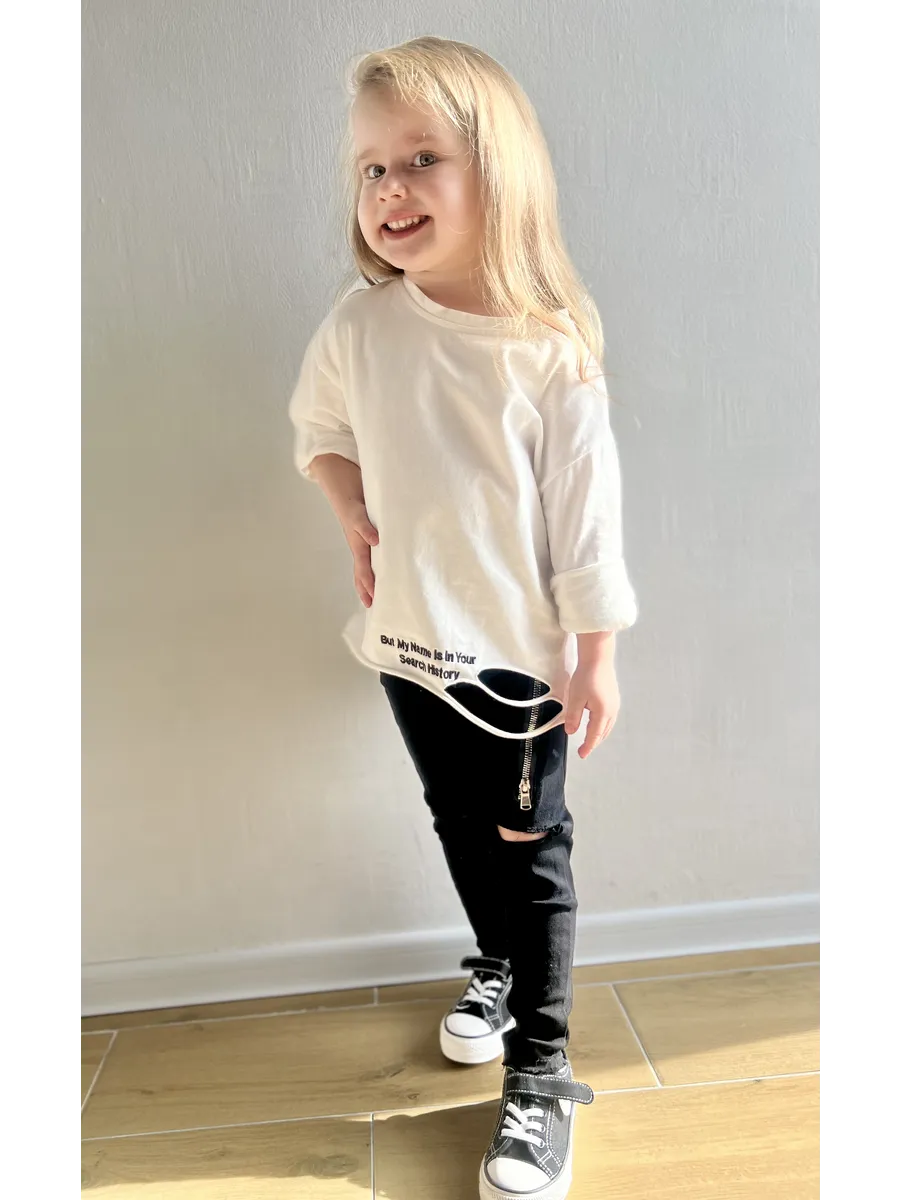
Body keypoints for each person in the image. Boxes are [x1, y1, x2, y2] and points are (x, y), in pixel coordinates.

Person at [288, 36, 638, 1200]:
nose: (390, 189)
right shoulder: (360, 325)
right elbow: (319, 429)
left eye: (421, 159)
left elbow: (588, 527)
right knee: (455, 820)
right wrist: (350, 511)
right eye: (371, 169)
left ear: (500, 170)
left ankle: (541, 1067)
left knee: (529, 851)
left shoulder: (548, 354)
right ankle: (496, 963)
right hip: (406, 646)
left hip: (519, 670)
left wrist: (598, 656)